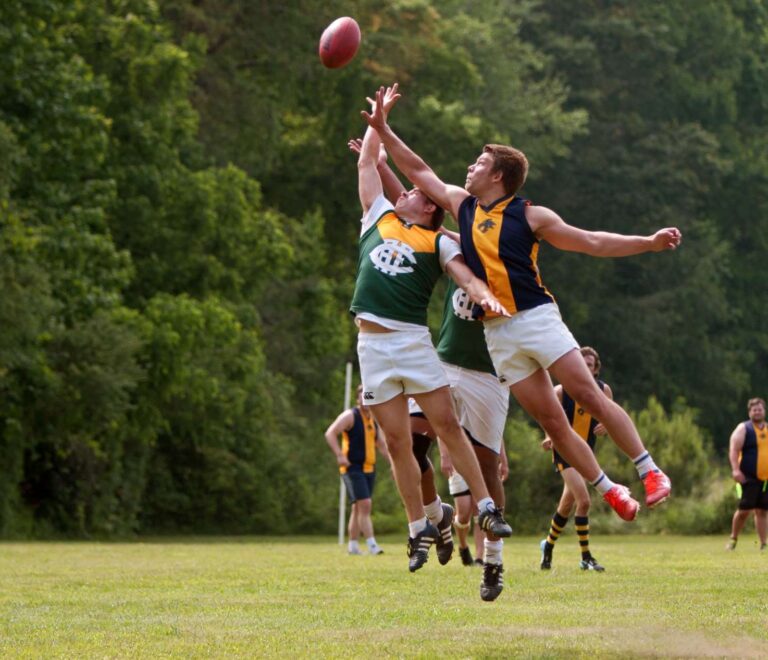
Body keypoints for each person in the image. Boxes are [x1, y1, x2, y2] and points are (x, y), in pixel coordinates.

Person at [363, 84, 679, 521]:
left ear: (498, 176)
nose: (470, 167)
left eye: (480, 163)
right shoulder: (463, 206)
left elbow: (590, 241)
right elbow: (417, 170)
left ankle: (649, 470)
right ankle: (610, 490)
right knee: (553, 422)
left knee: (585, 392)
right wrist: (383, 129)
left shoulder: (530, 215)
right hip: (499, 335)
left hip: (535, 318)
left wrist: (647, 242)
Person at [351, 87, 513, 574]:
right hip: (372, 346)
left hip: (412, 342)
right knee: (397, 444)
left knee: (445, 427)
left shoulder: (437, 242)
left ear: (427, 208)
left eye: (412, 193)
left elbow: (464, 275)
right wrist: (377, 122)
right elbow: (367, 165)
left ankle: (486, 507)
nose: (403, 192)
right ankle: (419, 525)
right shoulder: (377, 219)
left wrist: (483, 294)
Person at [539, 347, 610, 571]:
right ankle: (586, 557)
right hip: (563, 451)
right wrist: (548, 436)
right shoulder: (561, 391)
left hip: (586, 455)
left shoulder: (603, 390)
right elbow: (547, 416)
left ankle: (548, 546)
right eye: (583, 364)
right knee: (584, 501)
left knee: (566, 505)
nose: (586, 368)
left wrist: (606, 426)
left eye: (590, 365)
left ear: (596, 370)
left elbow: (611, 418)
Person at [324, 384, 390, 555]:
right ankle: (372, 545)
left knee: (358, 508)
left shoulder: (373, 418)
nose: (365, 398)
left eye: (368, 395)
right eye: (362, 395)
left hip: (369, 468)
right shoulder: (350, 416)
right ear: (357, 398)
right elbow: (330, 433)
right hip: (352, 468)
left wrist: (394, 464)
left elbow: (381, 445)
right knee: (365, 504)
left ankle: (353, 546)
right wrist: (339, 455)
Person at [726, 397, 768, 551]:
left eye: (760, 409)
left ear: (764, 411)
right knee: (744, 510)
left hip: (766, 479)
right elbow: (734, 449)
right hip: (748, 477)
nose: (757, 412)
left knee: (762, 511)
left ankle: (763, 544)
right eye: (754, 410)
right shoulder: (743, 429)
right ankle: (733, 539)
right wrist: (735, 470)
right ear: (750, 412)